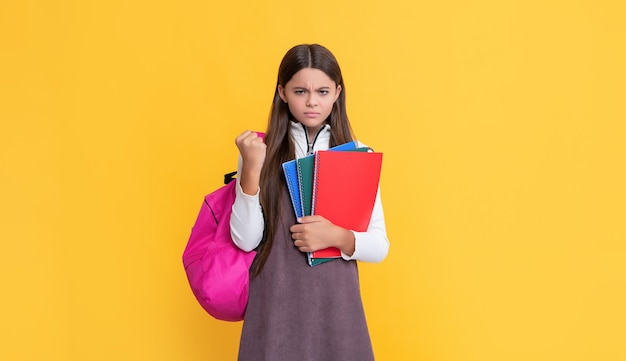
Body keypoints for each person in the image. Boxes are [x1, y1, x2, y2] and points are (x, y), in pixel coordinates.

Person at [229, 44, 389, 361]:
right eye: (300, 90)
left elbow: (380, 245)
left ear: (337, 92)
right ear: (283, 92)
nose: (312, 101)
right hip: (275, 301)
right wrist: (249, 170)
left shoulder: (358, 154)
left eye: (323, 91)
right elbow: (246, 240)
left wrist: (335, 236)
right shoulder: (259, 151)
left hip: (336, 304)